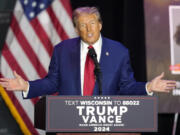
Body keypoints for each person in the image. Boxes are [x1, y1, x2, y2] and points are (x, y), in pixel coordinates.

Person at [0, 6, 177, 98]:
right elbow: (52, 83)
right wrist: (27, 87)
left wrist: (148, 87)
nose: (89, 29)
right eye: (83, 25)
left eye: (92, 23)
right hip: (71, 125)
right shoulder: (62, 50)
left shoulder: (118, 51)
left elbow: (126, 87)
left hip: (108, 125)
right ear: (76, 29)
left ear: (100, 25)